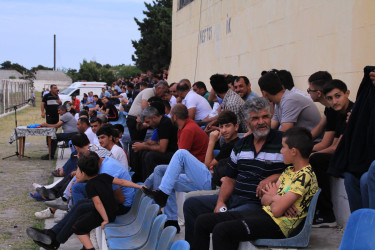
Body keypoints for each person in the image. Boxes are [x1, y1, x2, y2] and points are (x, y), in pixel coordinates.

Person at [192, 127, 318, 250]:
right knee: (203, 221)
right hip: (264, 214)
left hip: (279, 226)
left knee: (222, 230)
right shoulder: (289, 171)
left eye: (283, 147)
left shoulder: (304, 176)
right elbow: (263, 199)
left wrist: (274, 197)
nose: (281, 151)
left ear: (294, 151)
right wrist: (278, 199)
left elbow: (277, 211)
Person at [183, 97, 286, 244]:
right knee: (191, 205)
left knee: (222, 222)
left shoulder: (282, 142)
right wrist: (220, 202)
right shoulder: (240, 145)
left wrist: (274, 177)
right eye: (255, 118)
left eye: (265, 117)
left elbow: (298, 170)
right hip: (235, 197)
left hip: (257, 203)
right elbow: (230, 179)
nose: (261, 122)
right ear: (247, 123)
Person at [142, 110, 239, 232]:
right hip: (208, 177)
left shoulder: (235, 145)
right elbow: (210, 164)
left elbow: (207, 163)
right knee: (162, 173)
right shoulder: (226, 143)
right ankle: (171, 221)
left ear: (236, 127)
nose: (224, 130)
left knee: (181, 154)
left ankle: (154, 193)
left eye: (227, 126)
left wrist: (212, 141)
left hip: (211, 182)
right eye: (221, 126)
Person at [26, 150, 136, 250]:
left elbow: (120, 199)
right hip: (111, 201)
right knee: (78, 195)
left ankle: (56, 238)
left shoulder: (107, 171)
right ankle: (53, 234)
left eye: (79, 169)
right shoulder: (101, 163)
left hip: (120, 206)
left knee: (81, 208)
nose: (77, 172)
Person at [72, 154, 143, 250]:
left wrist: (105, 220)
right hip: (112, 210)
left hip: (106, 214)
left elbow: (98, 204)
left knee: (78, 228)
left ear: (83, 173)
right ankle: (86, 247)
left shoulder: (90, 185)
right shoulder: (104, 176)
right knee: (83, 221)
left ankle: (89, 248)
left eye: (78, 170)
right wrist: (139, 186)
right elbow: (122, 182)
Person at [309, 79, 353, 227]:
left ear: (347, 93)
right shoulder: (338, 113)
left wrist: (311, 155)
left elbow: (336, 148)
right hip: (344, 154)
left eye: (337, 96)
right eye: (330, 98)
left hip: (354, 158)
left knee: (317, 160)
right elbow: (334, 144)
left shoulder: (351, 112)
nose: (334, 101)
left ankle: (326, 213)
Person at [130, 106, 178, 181]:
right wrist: (144, 145)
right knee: (140, 148)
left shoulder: (165, 124)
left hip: (173, 153)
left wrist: (144, 146)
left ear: (154, 117)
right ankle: (139, 178)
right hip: (168, 150)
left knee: (149, 156)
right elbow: (156, 142)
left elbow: (162, 149)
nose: (148, 125)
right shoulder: (160, 123)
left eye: (148, 122)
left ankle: (151, 183)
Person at [306, 71, 334, 140]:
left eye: (309, 90)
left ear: (318, 93)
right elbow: (319, 127)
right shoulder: (328, 108)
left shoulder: (334, 110)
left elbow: (325, 144)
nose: (309, 93)